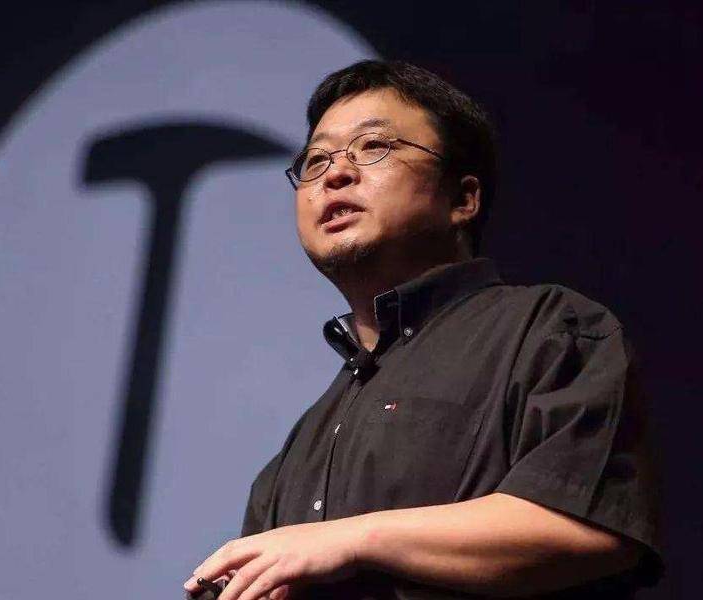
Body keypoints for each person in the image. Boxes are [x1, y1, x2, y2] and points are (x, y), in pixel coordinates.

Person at [183, 60, 664, 600]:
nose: (335, 174)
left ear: (462, 199)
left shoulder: (549, 330)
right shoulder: (302, 445)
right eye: (316, 160)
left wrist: (350, 539)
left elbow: (590, 525)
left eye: (372, 147)